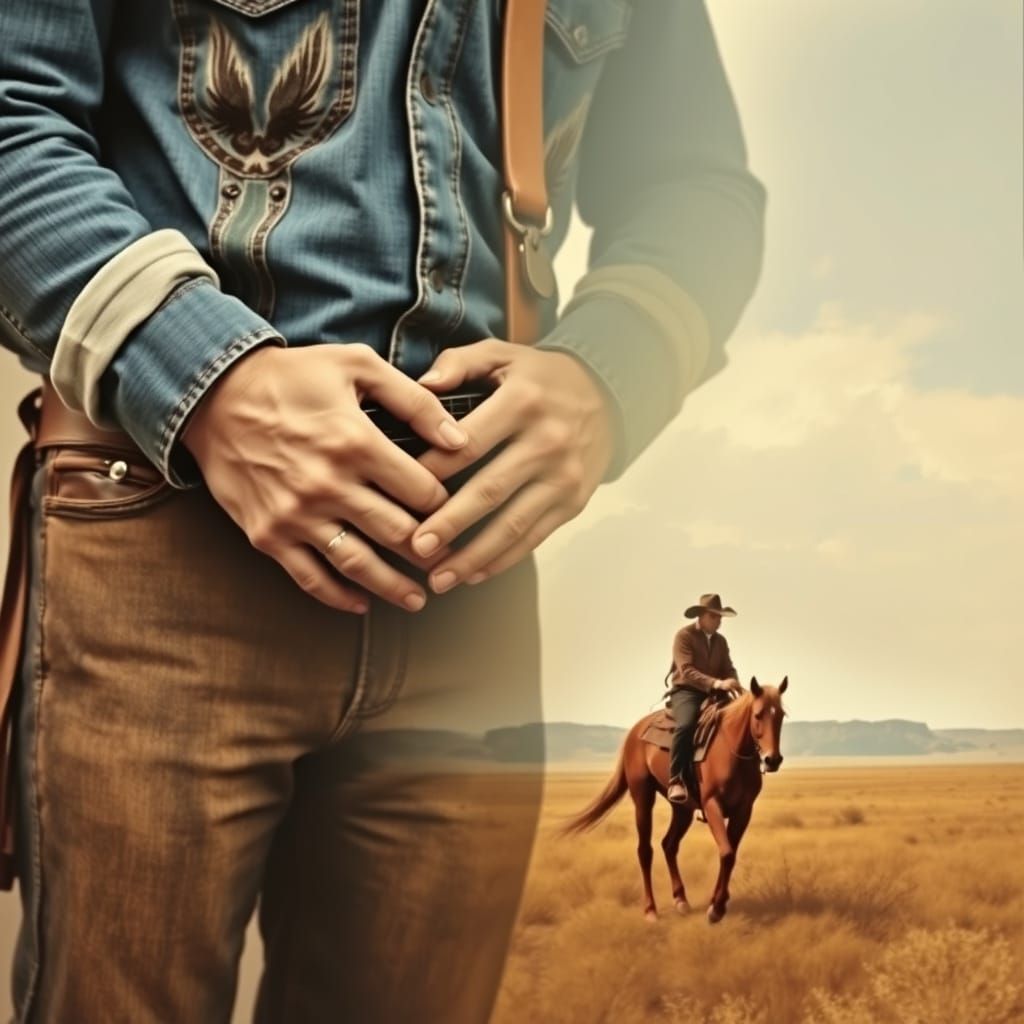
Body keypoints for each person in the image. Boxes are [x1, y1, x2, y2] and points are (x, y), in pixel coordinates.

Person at [0, 2, 765, 1020]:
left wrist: (606, 375)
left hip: (472, 589)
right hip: (160, 528)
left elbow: (694, 184)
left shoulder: (709, 638)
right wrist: (204, 375)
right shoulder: (689, 640)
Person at [666, 594, 743, 804]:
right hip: (687, 692)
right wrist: (717, 683)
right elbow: (687, 670)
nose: (719, 621)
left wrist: (734, 682)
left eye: (720, 618)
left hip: (715, 693)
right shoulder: (684, 636)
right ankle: (676, 779)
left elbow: (728, 667)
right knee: (686, 725)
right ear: (701, 616)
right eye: (714, 617)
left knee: (742, 720)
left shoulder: (720, 641)